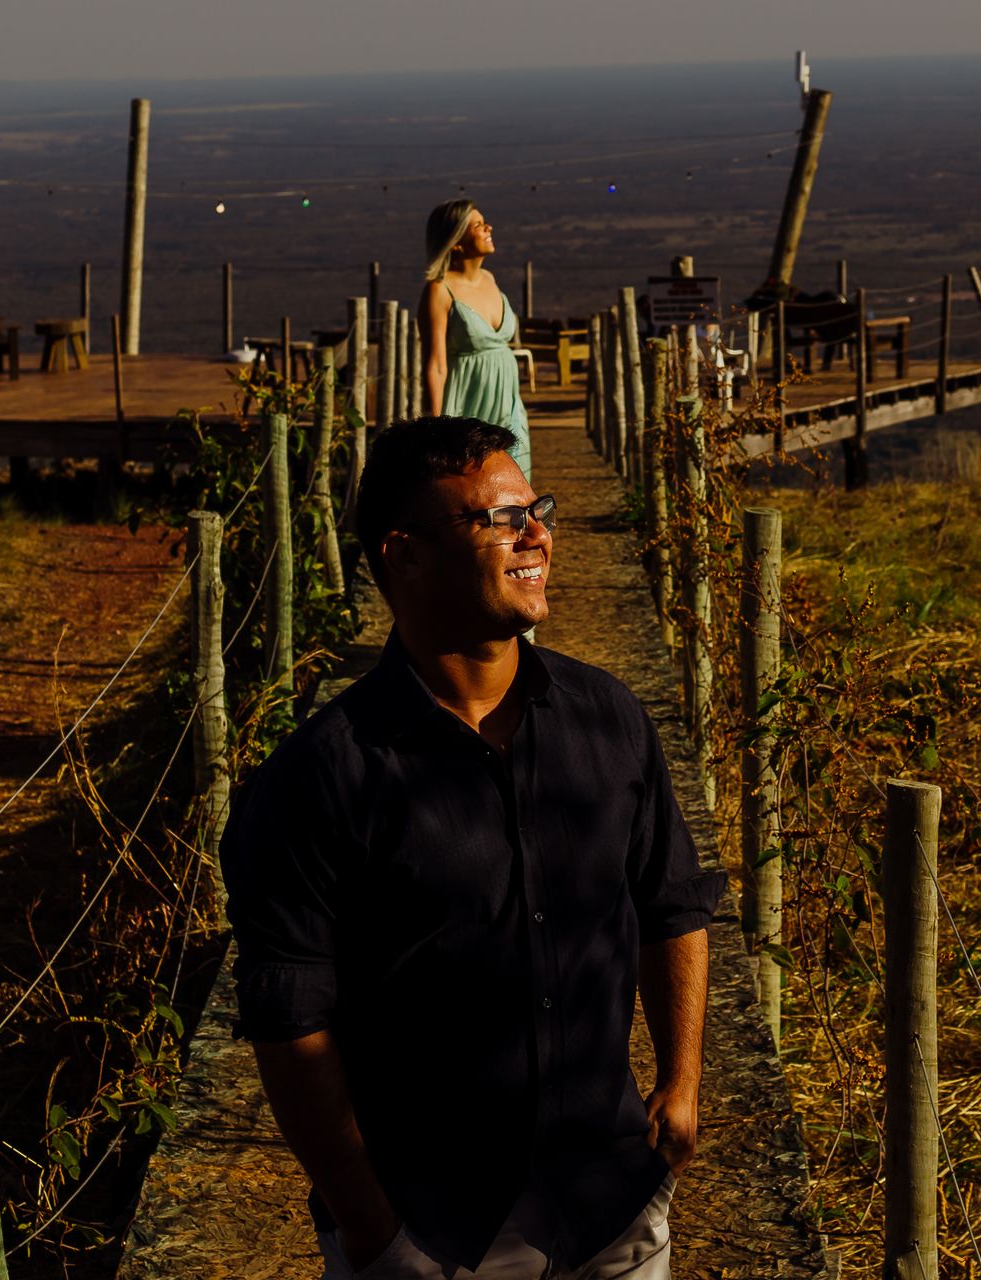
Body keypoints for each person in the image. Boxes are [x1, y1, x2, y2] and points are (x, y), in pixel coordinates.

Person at [220, 416, 725, 1280]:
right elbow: (291, 1024)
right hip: (435, 1231)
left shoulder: (610, 721)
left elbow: (669, 901)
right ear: (403, 554)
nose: (537, 533)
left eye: (539, 509)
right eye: (498, 518)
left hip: (613, 1205)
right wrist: (372, 1231)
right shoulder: (319, 780)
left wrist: (681, 1087)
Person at [419, 201, 532, 480]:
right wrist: (435, 427)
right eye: (478, 225)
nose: (488, 228)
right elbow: (436, 365)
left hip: (509, 405)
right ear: (456, 241)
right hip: (467, 405)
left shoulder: (490, 279)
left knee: (514, 488)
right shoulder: (439, 290)